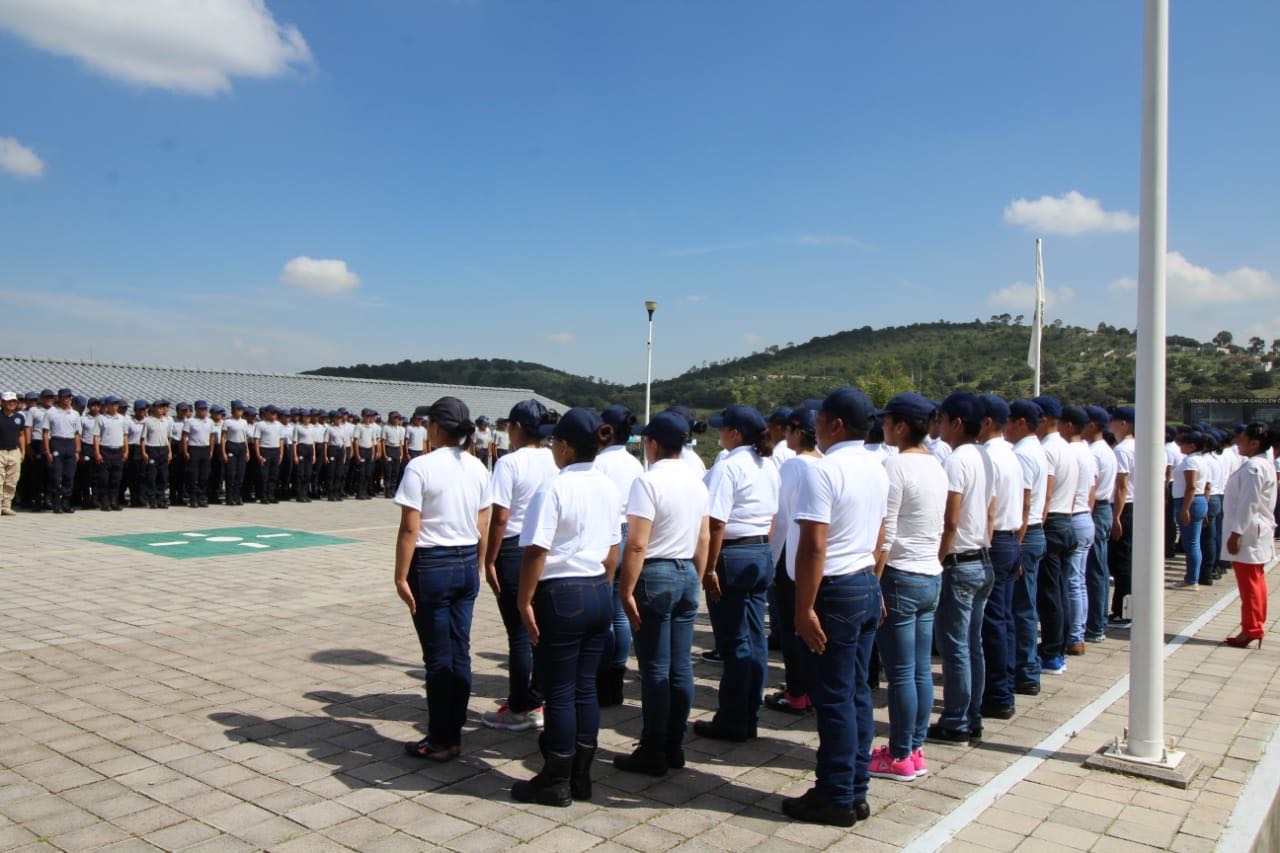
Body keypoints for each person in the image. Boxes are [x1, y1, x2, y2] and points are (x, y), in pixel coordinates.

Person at [784, 387, 887, 827]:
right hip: (863, 580)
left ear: (836, 424)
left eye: (820, 419)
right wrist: (875, 587)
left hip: (834, 590)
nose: (816, 427)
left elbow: (814, 546)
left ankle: (835, 794)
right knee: (857, 694)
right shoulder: (877, 467)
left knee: (834, 701)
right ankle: (854, 787)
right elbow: (880, 534)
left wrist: (803, 607)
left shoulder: (824, 471)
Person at [512, 408, 621, 807]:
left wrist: (524, 599)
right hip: (596, 588)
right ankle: (582, 777)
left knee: (558, 691)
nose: (553, 448)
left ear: (567, 446)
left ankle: (555, 780)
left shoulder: (553, 487)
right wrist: (602, 586)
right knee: (585, 687)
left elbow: (537, 550)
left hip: (561, 592)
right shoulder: (607, 486)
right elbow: (613, 549)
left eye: (556, 442)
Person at [394, 398, 491, 762]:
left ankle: (441, 738)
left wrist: (401, 574)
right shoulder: (478, 467)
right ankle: (454, 729)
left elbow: (409, 527)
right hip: (466, 560)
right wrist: (477, 565)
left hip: (431, 564)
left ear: (435, 428)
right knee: (459, 649)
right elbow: (482, 524)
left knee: (437, 657)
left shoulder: (420, 467)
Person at [615, 411, 711, 776]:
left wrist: (626, 588)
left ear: (652, 444)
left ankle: (652, 748)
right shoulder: (696, 481)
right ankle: (674, 744)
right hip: (686, 570)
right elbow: (703, 538)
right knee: (680, 666)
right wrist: (696, 578)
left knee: (654, 668)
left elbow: (637, 544)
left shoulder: (647, 482)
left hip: (654, 573)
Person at [866, 392, 945, 783]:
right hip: (929, 573)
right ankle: (913, 748)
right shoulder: (936, 465)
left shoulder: (896, 466)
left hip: (899, 573)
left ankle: (898, 755)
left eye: (886, 421)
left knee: (900, 673)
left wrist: (873, 581)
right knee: (919, 671)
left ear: (900, 426)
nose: (882, 427)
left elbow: (887, 532)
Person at [695, 405, 779, 743]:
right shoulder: (767, 465)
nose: (719, 434)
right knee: (755, 638)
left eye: (724, 428)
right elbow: (773, 516)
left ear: (736, 433)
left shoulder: (728, 467)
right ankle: (748, 712)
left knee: (734, 641)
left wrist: (710, 567)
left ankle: (732, 718)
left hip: (733, 553)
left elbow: (716, 522)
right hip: (759, 549)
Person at [481, 400, 559, 733]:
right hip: (547, 549)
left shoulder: (509, 463)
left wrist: (489, 558)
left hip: (514, 549)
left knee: (518, 634)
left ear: (516, 427)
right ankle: (538, 699)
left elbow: (500, 517)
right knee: (539, 630)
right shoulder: (556, 459)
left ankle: (519, 707)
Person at [927, 392, 994, 745]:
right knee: (972, 645)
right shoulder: (983, 457)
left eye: (941, 418)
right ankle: (972, 716)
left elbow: (949, 521)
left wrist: (936, 560)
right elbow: (989, 512)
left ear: (956, 423)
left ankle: (955, 721)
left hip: (959, 562)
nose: (936, 425)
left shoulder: (956, 461)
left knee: (955, 649)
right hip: (980, 558)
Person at [765, 405, 823, 715]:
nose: (784, 435)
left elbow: (782, 519)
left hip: (792, 556)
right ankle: (812, 688)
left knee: (791, 628)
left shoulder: (792, 466)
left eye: (788, 430)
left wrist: (771, 560)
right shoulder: (825, 463)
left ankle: (797, 691)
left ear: (799, 433)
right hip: (818, 559)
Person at [594, 404, 645, 706]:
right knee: (620, 611)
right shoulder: (635, 464)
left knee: (604, 614)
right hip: (631, 531)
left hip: (608, 536)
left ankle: (603, 677)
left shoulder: (599, 464)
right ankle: (616, 676)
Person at [977, 394, 1023, 722]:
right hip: (1009, 539)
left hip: (993, 542)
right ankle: (1004, 686)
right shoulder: (1012, 454)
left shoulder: (987, 456)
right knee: (1003, 619)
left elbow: (987, 510)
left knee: (991, 623)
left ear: (988, 422)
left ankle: (996, 694)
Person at [1006, 400, 1048, 695]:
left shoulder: (1022, 453)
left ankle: (1025, 670)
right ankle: (1026, 666)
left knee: (1021, 608)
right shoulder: (1038, 450)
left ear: (1020, 422)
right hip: (1034, 530)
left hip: (1024, 534)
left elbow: (1024, 503)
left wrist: (1016, 546)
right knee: (1026, 604)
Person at [1221, 424, 1276, 648]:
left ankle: (1252, 628)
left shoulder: (1254, 467)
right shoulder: (1261, 464)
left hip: (1249, 531)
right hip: (1254, 529)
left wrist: (1236, 533)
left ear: (1255, 443)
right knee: (1255, 581)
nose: (1238, 443)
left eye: (1242, 439)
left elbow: (1248, 503)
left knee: (1250, 583)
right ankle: (1254, 625)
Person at [1035, 395, 1077, 676]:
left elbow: (1047, 494)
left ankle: (1051, 652)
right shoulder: (1066, 447)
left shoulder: (1048, 449)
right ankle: (1058, 645)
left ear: (1045, 419)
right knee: (1060, 589)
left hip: (1052, 523)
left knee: (1049, 593)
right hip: (1067, 520)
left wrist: (1038, 523)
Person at [1059, 406, 1097, 657]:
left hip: (1072, 517)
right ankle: (1078, 632)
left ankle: (1073, 637)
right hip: (1085, 517)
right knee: (1079, 581)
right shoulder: (1088, 452)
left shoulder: (1069, 453)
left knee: (1071, 581)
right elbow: (1092, 489)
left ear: (1069, 425)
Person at [1081, 407, 1116, 641]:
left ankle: (1094, 625)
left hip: (1095, 508)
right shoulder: (1105, 450)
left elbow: (1091, 489)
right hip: (1103, 508)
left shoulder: (1094, 452)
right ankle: (1099, 621)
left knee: (1093, 570)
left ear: (1092, 425)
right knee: (1099, 569)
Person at [1108, 407, 1136, 628]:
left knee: (1122, 563)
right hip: (1135, 507)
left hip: (1124, 508)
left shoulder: (1123, 450)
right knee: (1128, 561)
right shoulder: (1139, 446)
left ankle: (1122, 611)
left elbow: (1121, 486)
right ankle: (1125, 608)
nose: (1110, 425)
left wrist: (1116, 517)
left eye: (1113, 421)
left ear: (1124, 423)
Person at [1173, 431, 1210, 588]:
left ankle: (1191, 579)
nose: (1180, 446)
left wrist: (1185, 508)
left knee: (1191, 543)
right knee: (1193, 542)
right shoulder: (1200, 460)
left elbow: (1191, 486)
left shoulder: (1190, 462)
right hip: (1197, 500)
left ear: (1192, 445)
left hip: (1189, 501)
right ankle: (1192, 577)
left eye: (1183, 443)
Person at [43, 388, 82, 514]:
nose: (68, 399)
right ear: (59, 398)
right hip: (57, 442)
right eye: (65, 397)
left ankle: (66, 501)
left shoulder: (75, 414)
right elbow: (45, 432)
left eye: (69, 397)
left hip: (70, 443)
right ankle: (56, 502)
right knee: (56, 474)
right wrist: (47, 451)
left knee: (69, 475)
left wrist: (77, 450)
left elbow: (77, 433)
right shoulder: (51, 412)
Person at [92, 397, 128, 511]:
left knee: (116, 478)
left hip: (118, 450)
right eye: (112, 404)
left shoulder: (122, 419)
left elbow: (125, 436)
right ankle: (105, 501)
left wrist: (126, 450)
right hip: (105, 450)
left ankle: (114, 501)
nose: (114, 406)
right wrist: (97, 452)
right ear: (106, 406)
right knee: (104, 478)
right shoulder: (101, 419)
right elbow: (96, 437)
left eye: (116, 404)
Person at [1203, 430, 1228, 585]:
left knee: (1208, 538)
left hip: (1210, 497)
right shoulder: (1218, 458)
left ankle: (1209, 570)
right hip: (1218, 496)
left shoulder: (1207, 460)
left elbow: (1207, 485)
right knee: (1215, 535)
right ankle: (1218, 565)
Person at [140, 400, 173, 509]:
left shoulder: (167, 421)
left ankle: (161, 499)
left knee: (163, 476)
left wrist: (170, 451)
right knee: (152, 476)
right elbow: (143, 438)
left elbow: (168, 438)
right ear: (154, 408)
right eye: (159, 407)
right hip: (152, 449)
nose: (161, 409)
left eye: (163, 407)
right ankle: (152, 499)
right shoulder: (148, 421)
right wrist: (144, 452)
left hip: (163, 449)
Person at [183, 401, 214, 508]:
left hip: (205, 449)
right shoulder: (190, 421)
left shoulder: (210, 422)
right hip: (194, 448)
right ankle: (193, 498)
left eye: (205, 409)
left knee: (204, 475)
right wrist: (186, 451)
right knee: (193, 475)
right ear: (196, 409)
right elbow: (185, 437)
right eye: (202, 409)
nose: (204, 411)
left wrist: (211, 450)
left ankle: (202, 496)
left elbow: (212, 437)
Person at [0, 391, 26, 517]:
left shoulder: (19, 417)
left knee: (12, 480)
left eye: (14, 401)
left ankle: (6, 506)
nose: (11, 403)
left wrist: (23, 451)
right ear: (2, 402)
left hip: (14, 451)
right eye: (8, 401)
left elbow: (21, 435)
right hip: (1, 451)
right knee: (0, 480)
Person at [254, 405, 285, 503]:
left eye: (276, 413)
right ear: (266, 413)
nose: (274, 415)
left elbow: (281, 440)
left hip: (275, 450)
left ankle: (271, 495)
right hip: (265, 450)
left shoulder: (279, 425)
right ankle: (263, 496)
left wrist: (281, 453)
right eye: (272, 413)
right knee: (264, 475)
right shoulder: (260, 424)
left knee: (274, 475)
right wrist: (258, 454)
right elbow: (256, 440)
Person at [221, 403, 250, 506]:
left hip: (241, 446)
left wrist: (247, 451)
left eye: (241, 410)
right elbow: (223, 438)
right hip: (231, 446)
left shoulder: (244, 422)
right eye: (238, 409)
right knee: (231, 474)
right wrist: (223, 452)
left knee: (240, 474)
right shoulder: (227, 422)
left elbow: (245, 437)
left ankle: (237, 496)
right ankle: (229, 497)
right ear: (233, 410)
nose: (240, 411)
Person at [76, 397, 100, 508]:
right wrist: (79, 450)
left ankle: (95, 499)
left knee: (97, 476)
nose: (96, 407)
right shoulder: (83, 419)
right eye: (93, 405)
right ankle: (85, 499)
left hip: (99, 447)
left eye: (97, 405)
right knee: (86, 475)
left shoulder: (102, 418)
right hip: (87, 447)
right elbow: (79, 435)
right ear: (89, 407)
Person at [353, 408, 380, 499]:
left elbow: (373, 441)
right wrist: (357, 454)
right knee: (362, 473)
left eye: (370, 416)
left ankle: (365, 492)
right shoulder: (359, 426)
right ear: (363, 416)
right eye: (367, 416)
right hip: (362, 450)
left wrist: (373, 453)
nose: (369, 418)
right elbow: (356, 441)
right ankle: (359, 493)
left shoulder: (372, 427)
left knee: (368, 473)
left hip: (369, 451)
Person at [292, 409, 316, 503]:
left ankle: (305, 494)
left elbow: (313, 441)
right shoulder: (298, 427)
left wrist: (314, 454)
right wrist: (295, 455)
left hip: (310, 448)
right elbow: (294, 442)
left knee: (308, 473)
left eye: (309, 417)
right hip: (301, 448)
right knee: (300, 473)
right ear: (302, 417)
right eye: (306, 417)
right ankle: (299, 495)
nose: (308, 419)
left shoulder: (311, 426)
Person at [323, 411, 348, 501]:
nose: (339, 420)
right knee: (331, 473)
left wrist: (344, 455)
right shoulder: (329, 429)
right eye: (337, 418)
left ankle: (337, 493)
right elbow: (326, 442)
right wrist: (325, 455)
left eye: (340, 418)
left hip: (340, 450)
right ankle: (330, 494)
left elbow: (344, 443)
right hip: (332, 449)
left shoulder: (342, 429)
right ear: (333, 419)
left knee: (339, 473)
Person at [381, 412, 406, 498]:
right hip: (389, 449)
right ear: (390, 418)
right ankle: (387, 491)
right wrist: (384, 454)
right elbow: (383, 442)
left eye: (397, 418)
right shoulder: (386, 427)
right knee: (388, 472)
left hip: (397, 450)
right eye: (394, 418)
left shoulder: (400, 429)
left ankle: (393, 490)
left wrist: (401, 454)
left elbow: (400, 443)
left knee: (396, 472)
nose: (396, 420)